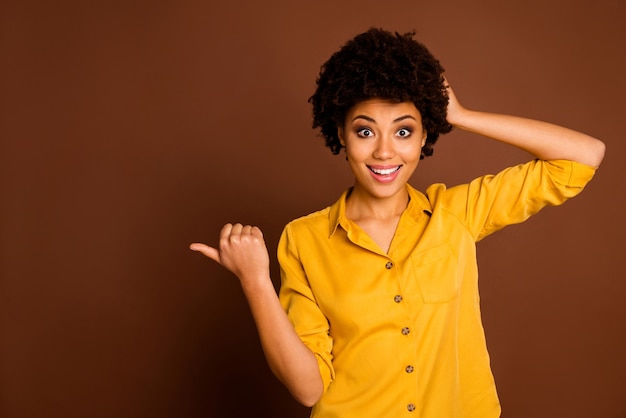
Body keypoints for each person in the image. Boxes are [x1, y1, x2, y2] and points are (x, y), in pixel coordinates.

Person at [190, 28, 605, 417]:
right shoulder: (304, 239)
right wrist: (255, 281)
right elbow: (309, 389)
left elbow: (583, 156)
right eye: (365, 132)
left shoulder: (456, 215)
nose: (385, 152)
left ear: (425, 136)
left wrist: (460, 115)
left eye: (404, 131)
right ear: (342, 135)